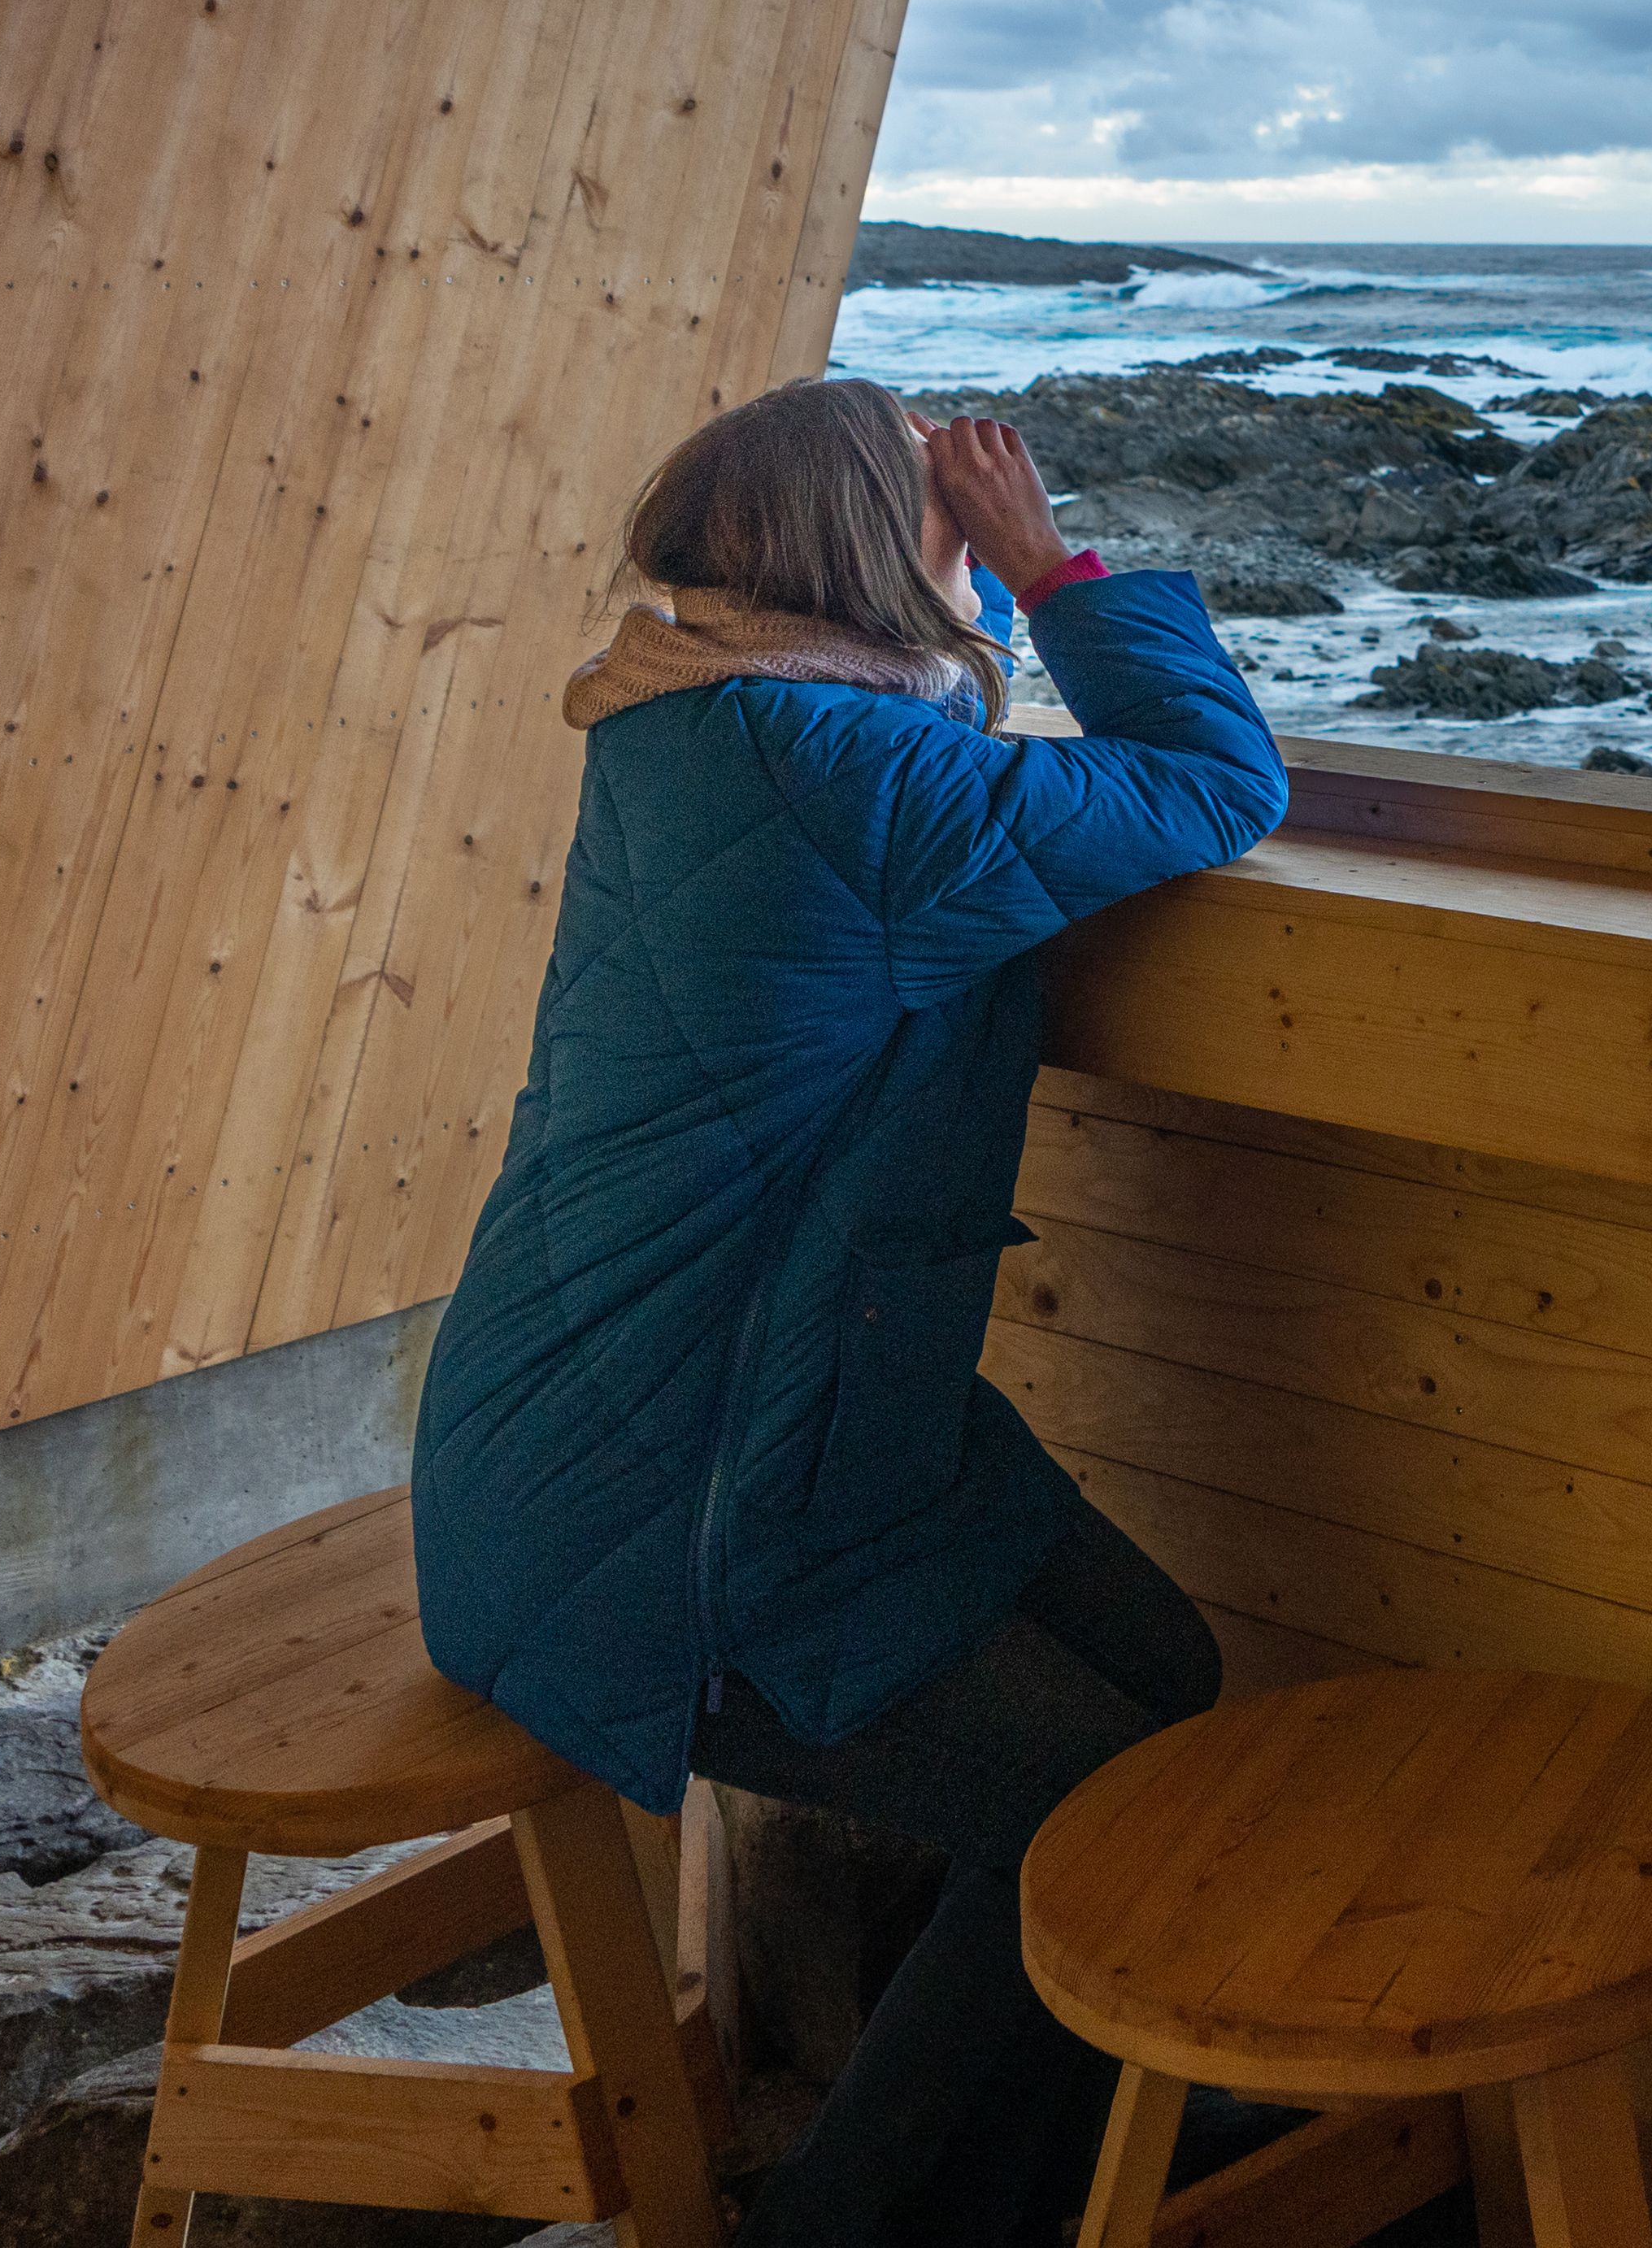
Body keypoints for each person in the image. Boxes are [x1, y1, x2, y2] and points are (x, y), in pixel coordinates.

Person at [414, 376, 1289, 2242]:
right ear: (868, 558)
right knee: (1099, 1804)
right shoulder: (857, 777)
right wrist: (1057, 572)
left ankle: (1031, 2150)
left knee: (1171, 1679)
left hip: (700, 1424)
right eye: (933, 516)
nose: (961, 541)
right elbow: (1218, 783)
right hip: (686, 1513)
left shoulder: (692, 727)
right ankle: (863, 2212)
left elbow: (983, 788)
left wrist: (967, 593)